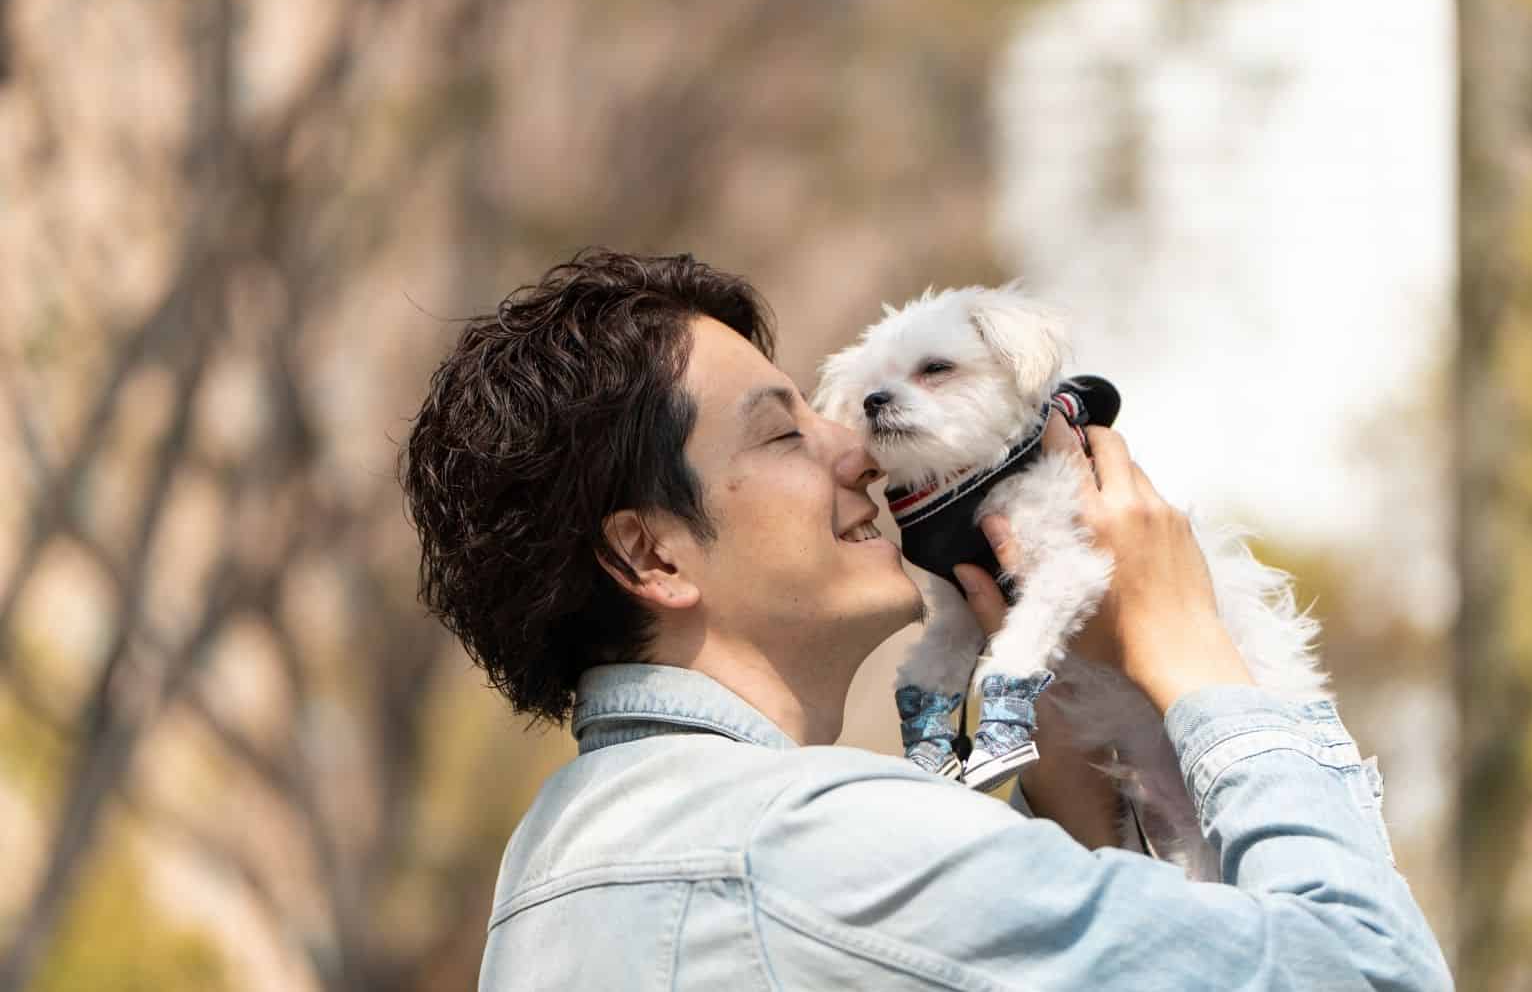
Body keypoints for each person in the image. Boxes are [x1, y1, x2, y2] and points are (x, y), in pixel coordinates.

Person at [399, 248, 1452, 990]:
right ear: (651, 553)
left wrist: (1088, 835)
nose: (854, 451)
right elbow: (1369, 973)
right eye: (782, 437)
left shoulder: (549, 861)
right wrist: (1195, 659)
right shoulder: (814, 841)